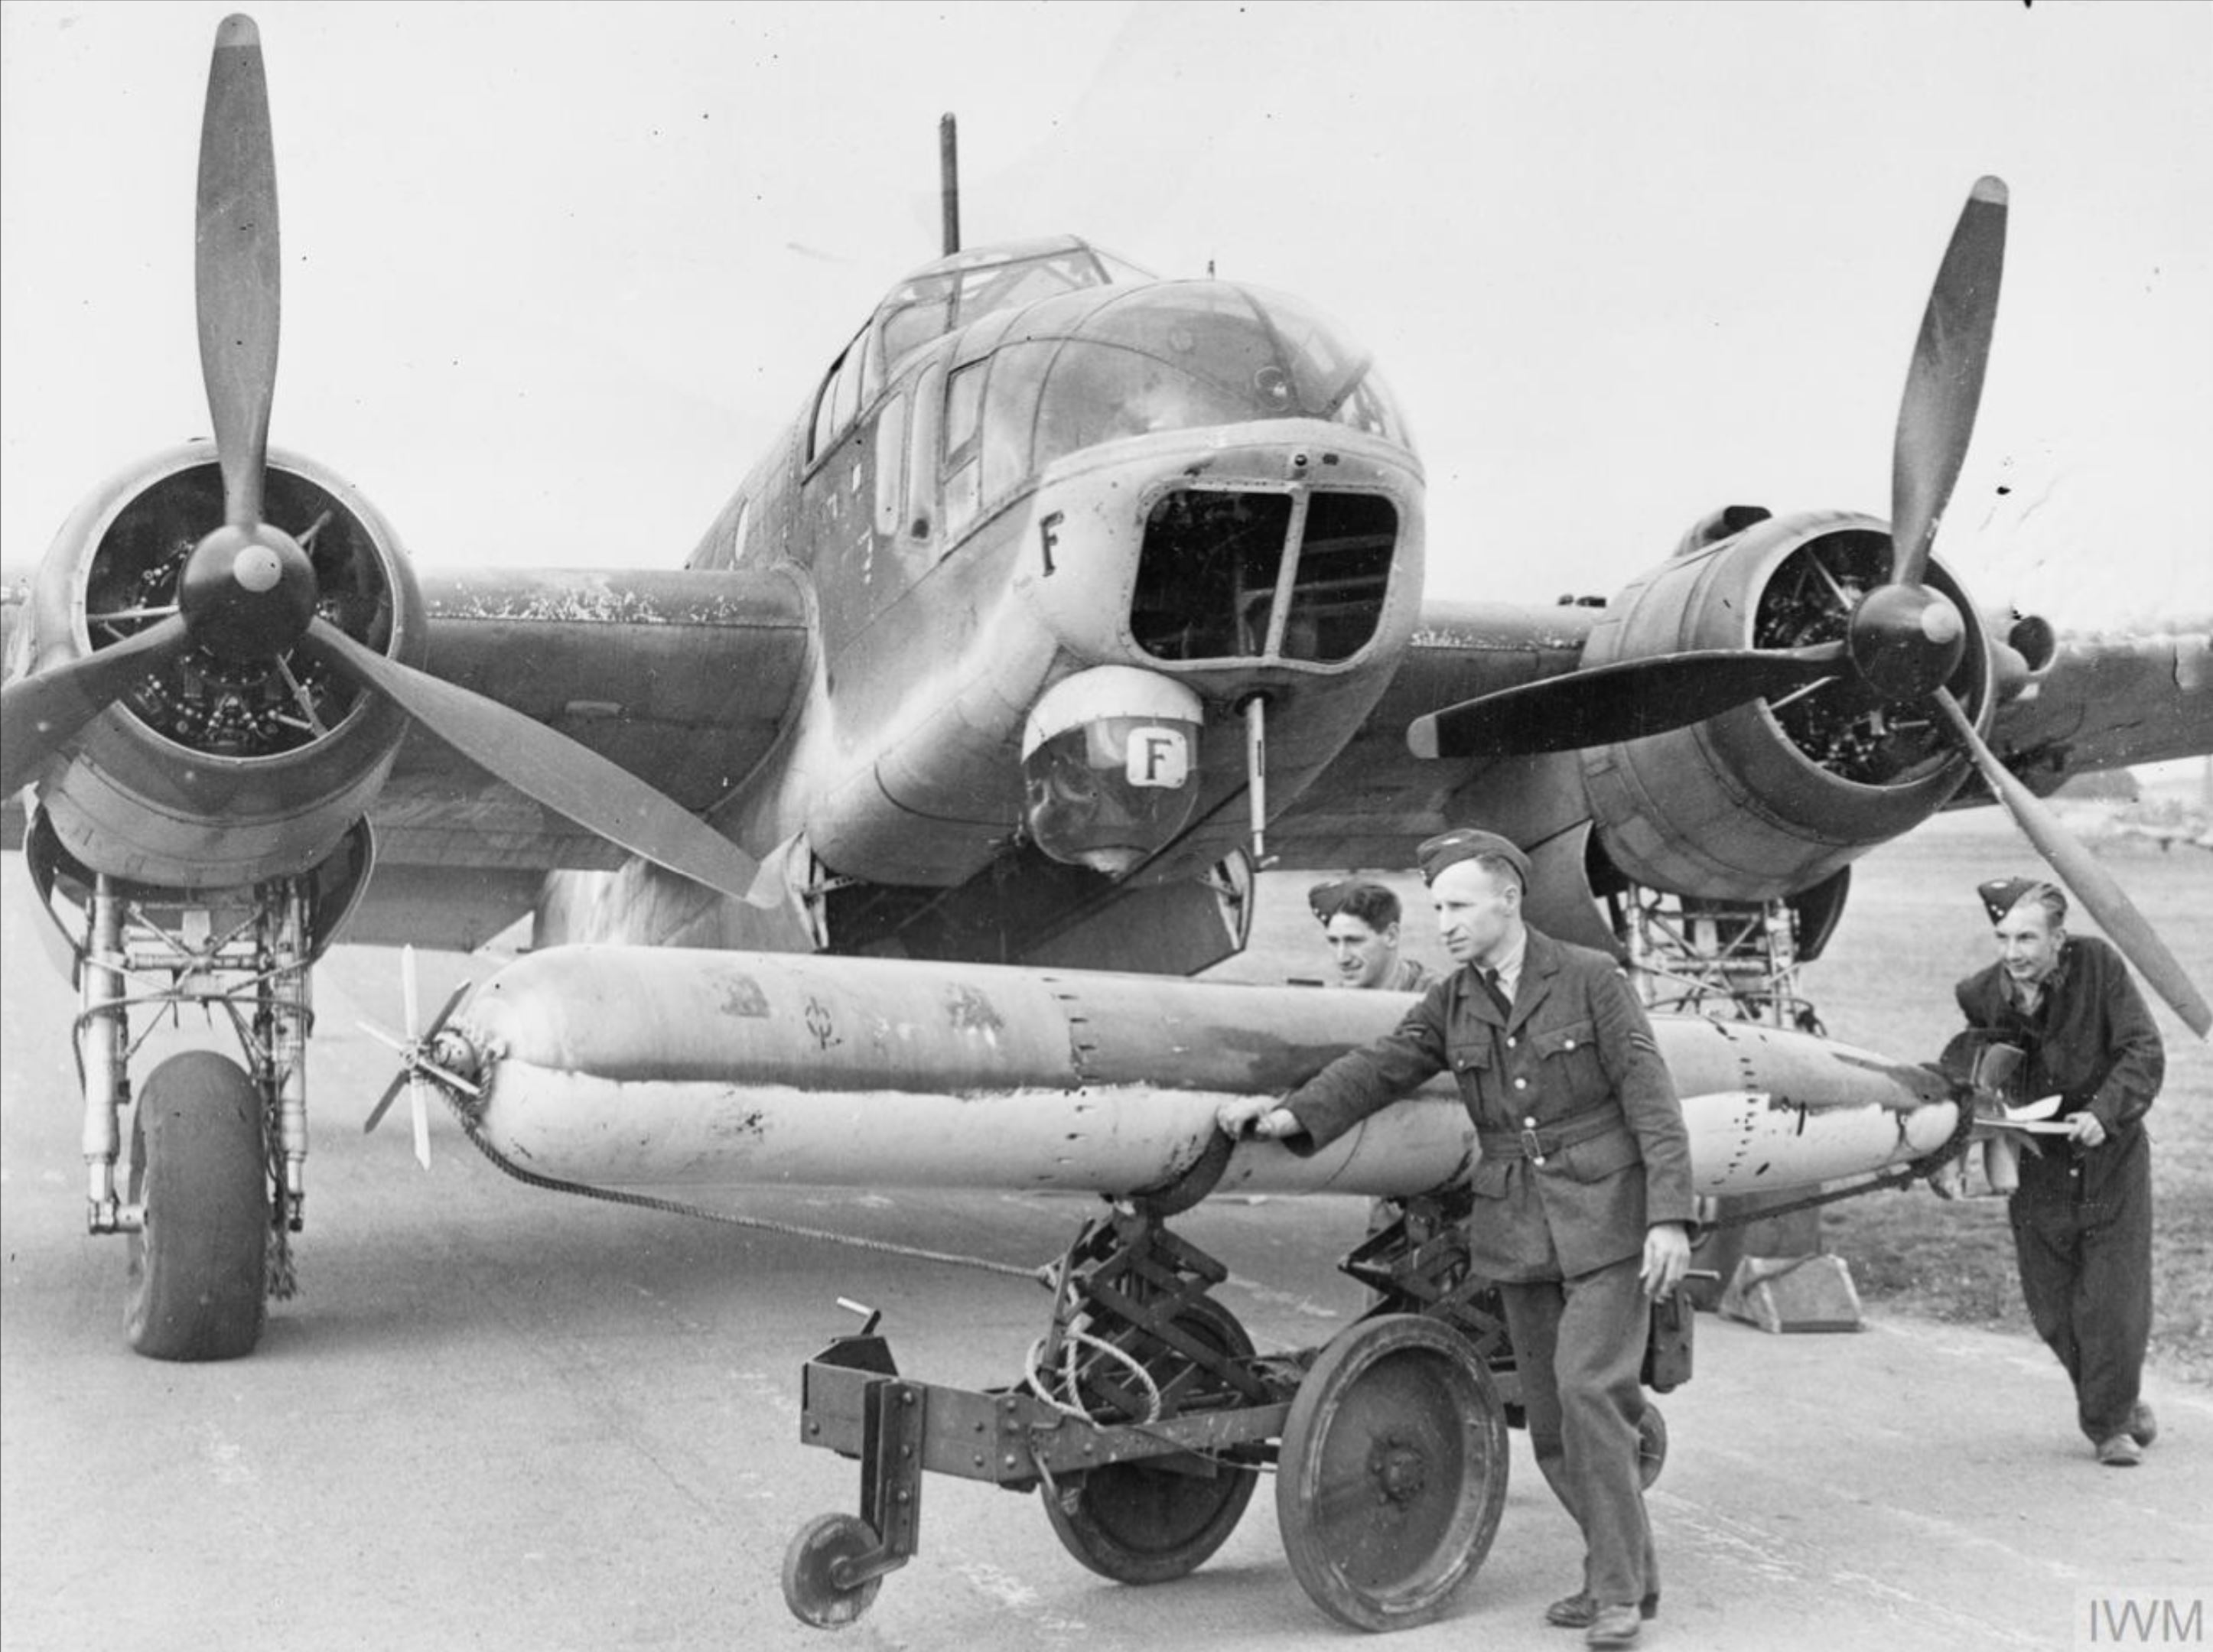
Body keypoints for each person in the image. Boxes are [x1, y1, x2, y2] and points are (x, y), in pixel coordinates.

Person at [1227, 830, 1694, 1648]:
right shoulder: (1454, 1000)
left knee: (1591, 1395)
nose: (1442, 922)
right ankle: (1626, 1571)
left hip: (1609, 1220)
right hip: (1518, 1223)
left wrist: (1669, 1219)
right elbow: (1383, 1064)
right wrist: (1288, 1114)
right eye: (1435, 907)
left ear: (1508, 900)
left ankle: (1616, 1593)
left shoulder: (1590, 979)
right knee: (1550, 1424)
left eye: (1457, 905)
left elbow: (1651, 1099)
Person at [1954, 877, 2164, 1467]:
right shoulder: (1981, 996)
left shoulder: (2099, 967)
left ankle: (2108, 1427)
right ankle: (2119, 1403)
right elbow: (1980, 1073)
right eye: (2003, 937)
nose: (2012, 952)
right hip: (2039, 1165)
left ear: (2058, 938)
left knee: (2113, 1303)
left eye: (2026, 937)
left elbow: (2142, 1050)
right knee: (2051, 1307)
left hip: (2109, 1160)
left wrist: (2104, 1113)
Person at [1308, 877, 1440, 993]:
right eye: (1334, 942)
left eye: (1354, 941)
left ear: (1391, 936)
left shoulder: (1442, 1001)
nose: (1342, 958)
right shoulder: (1334, 1003)